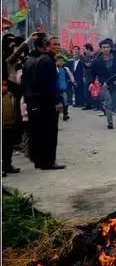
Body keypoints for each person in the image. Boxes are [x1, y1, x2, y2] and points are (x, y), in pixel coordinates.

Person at [22, 36, 65, 170]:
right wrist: (57, 101)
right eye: (54, 44)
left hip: (38, 102)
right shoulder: (47, 61)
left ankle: (40, 161)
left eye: (58, 44)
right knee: (49, 133)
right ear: (46, 46)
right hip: (47, 103)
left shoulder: (39, 60)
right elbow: (49, 85)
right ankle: (49, 161)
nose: (57, 47)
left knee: (40, 133)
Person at [92, 39, 116, 129]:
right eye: (104, 47)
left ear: (110, 48)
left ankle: (105, 108)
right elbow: (92, 73)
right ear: (101, 49)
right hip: (104, 84)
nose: (106, 49)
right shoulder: (97, 61)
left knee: (114, 104)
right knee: (108, 102)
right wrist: (91, 83)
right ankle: (110, 122)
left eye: (107, 47)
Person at [3, 79, 20, 175]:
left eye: (5, 85)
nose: (4, 87)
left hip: (9, 125)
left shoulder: (10, 95)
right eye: (2, 85)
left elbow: (14, 109)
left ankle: (7, 166)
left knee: (8, 148)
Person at [56, 56, 75, 121]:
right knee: (57, 102)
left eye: (62, 61)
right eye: (59, 61)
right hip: (57, 88)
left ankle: (65, 114)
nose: (60, 62)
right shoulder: (55, 69)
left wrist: (73, 81)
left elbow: (70, 75)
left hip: (64, 87)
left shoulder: (66, 69)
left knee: (65, 101)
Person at [81, 43, 97, 110]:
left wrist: (86, 64)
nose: (83, 51)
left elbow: (90, 66)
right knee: (86, 91)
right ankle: (88, 105)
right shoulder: (85, 57)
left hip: (93, 76)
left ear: (88, 49)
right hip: (86, 76)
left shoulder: (95, 56)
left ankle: (95, 105)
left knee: (94, 91)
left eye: (84, 49)